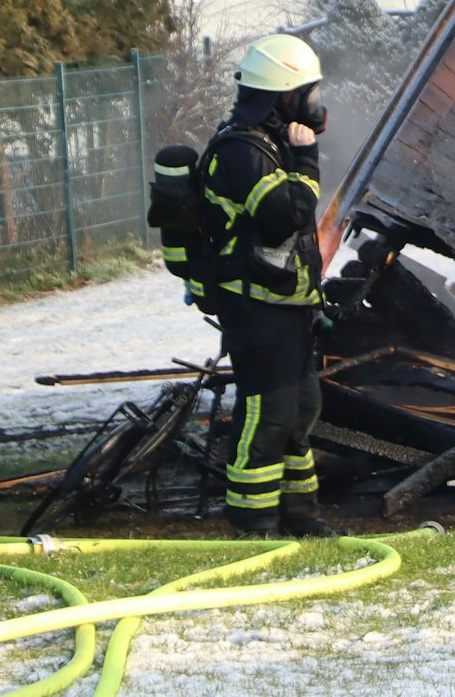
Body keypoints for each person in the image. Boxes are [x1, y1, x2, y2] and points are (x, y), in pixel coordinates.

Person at [204, 33, 335, 538]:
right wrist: (307, 160)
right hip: (256, 308)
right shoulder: (242, 151)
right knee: (268, 410)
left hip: (287, 306)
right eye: (308, 95)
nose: (315, 106)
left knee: (301, 409)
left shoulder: (268, 144)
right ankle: (252, 520)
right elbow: (287, 214)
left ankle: (302, 517)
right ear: (283, 96)